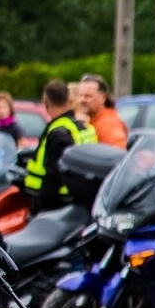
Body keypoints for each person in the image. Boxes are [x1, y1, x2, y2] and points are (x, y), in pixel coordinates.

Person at [22, 80, 91, 211]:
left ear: (45, 102)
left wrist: (40, 205)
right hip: (79, 200)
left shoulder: (58, 131)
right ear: (68, 101)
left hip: (57, 204)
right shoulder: (83, 127)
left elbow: (53, 175)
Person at [77, 74, 126, 149]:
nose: (82, 100)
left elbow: (119, 151)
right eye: (80, 95)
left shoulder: (107, 123)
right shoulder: (96, 120)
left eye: (88, 96)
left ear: (103, 98)